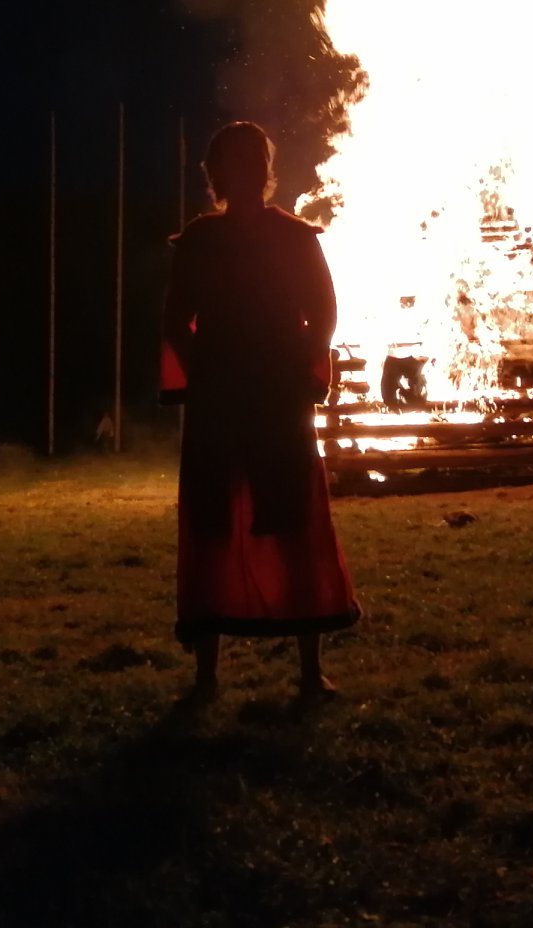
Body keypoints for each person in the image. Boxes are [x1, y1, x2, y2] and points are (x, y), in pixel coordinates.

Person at [162, 121, 361, 702]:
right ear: (217, 174)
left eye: (252, 162)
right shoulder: (200, 241)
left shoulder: (296, 238)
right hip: (221, 394)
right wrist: (205, 376)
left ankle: (307, 670)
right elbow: (176, 320)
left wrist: (301, 370)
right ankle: (206, 675)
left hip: (276, 393)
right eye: (232, 163)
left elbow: (322, 311)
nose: (242, 174)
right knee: (211, 519)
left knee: (294, 519)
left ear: (264, 171)